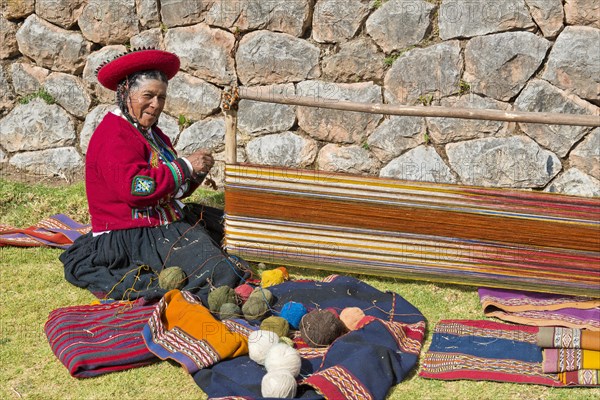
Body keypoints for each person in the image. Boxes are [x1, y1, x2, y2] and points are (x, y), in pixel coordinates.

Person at [60, 49, 248, 302]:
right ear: (126, 93)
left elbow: (168, 188)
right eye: (147, 96)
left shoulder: (151, 133)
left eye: (161, 97)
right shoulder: (113, 136)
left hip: (160, 222)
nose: (155, 105)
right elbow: (138, 189)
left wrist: (195, 174)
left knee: (231, 229)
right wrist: (185, 166)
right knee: (220, 272)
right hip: (133, 234)